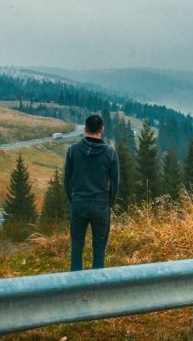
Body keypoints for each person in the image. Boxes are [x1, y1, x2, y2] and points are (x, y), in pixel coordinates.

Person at [64, 114, 120, 271]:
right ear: (102, 129)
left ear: (84, 129)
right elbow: (115, 183)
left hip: (79, 203)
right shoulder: (110, 152)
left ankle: (75, 287)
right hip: (101, 205)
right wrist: (109, 203)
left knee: (76, 248)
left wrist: (73, 199)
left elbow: (66, 181)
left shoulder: (72, 151)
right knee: (99, 249)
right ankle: (96, 288)